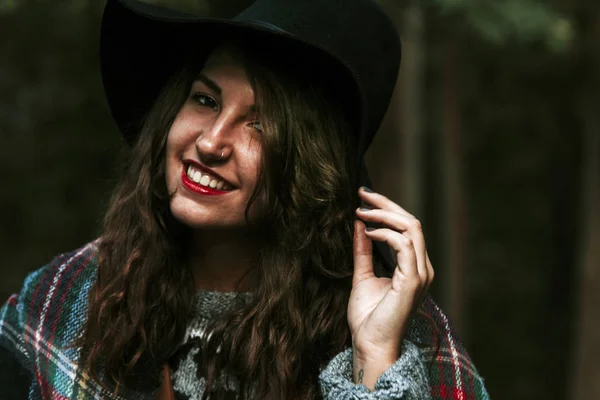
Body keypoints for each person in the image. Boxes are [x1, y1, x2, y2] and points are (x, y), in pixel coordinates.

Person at [0, 0, 490, 399]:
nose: (211, 142)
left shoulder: (402, 330)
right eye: (205, 100)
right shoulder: (67, 299)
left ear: (311, 170)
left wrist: (374, 360)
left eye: (260, 125)